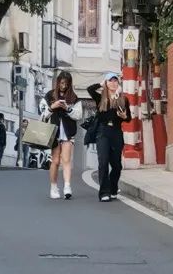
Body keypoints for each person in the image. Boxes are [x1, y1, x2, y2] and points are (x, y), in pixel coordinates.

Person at [87, 72, 130, 202]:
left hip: (116, 133)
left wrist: (124, 117)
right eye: (110, 81)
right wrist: (101, 84)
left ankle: (113, 188)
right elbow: (90, 89)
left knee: (116, 166)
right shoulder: (101, 98)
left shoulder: (123, 99)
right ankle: (104, 192)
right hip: (103, 132)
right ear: (106, 83)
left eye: (115, 81)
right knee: (103, 162)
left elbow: (129, 118)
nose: (113, 83)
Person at [42, 70, 82, 200]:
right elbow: (42, 114)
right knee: (56, 160)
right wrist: (52, 107)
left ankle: (67, 187)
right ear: (58, 82)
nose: (64, 86)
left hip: (68, 132)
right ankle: (53, 187)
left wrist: (67, 108)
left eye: (66, 83)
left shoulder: (73, 98)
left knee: (66, 160)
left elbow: (78, 115)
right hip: (54, 132)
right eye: (62, 83)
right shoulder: (49, 96)